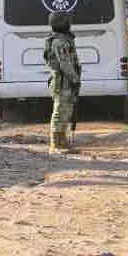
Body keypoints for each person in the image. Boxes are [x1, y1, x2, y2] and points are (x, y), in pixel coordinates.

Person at [43, 12, 80, 153]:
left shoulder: (63, 40)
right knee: (59, 112)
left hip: (66, 81)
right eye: (67, 22)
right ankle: (55, 144)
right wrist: (75, 79)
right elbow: (65, 64)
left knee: (66, 111)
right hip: (62, 82)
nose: (69, 25)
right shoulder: (60, 42)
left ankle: (62, 142)